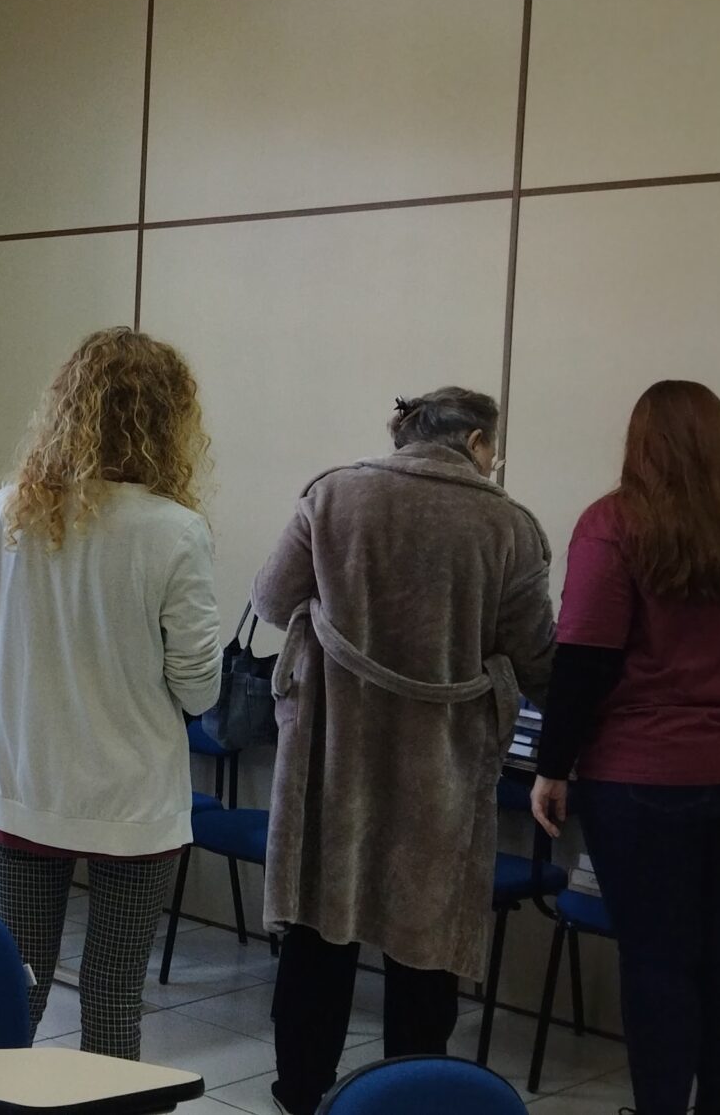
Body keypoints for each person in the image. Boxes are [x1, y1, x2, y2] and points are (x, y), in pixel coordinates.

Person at [528, 380, 720, 1115]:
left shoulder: (616, 523)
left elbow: (585, 661)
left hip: (647, 777)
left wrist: (552, 766)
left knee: (658, 962)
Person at [252, 387, 554, 1114]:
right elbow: (539, 658)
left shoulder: (333, 495)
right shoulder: (508, 525)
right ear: (476, 442)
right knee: (426, 939)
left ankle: (301, 1090)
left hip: (333, 750)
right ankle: (411, 1097)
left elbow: (270, 600)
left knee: (320, 924)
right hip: (441, 762)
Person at [0, 326, 221, 1060]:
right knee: (112, 996)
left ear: (65, 408)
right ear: (168, 422)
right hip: (135, 808)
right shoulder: (176, 531)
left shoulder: (6, 511)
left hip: (29, 788)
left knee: (17, 990)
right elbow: (199, 691)